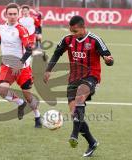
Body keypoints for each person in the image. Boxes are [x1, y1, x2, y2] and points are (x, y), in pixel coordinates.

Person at [43, 16, 114, 157]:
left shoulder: (95, 40)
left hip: (91, 77)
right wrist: (48, 70)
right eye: (71, 31)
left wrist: (108, 60)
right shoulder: (67, 39)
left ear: (82, 27)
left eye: (75, 31)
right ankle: (92, 142)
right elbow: (57, 53)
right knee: (74, 112)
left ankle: (74, 134)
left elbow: (109, 59)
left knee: (81, 95)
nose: (73, 34)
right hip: (73, 78)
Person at [0, 3, 42, 128]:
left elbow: (29, 50)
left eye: (15, 14)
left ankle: (37, 115)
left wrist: (20, 63)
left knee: (29, 96)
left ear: (18, 15)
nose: (12, 16)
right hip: (7, 66)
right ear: (6, 15)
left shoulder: (21, 29)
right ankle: (20, 102)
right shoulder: (1, 27)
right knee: (2, 90)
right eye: (10, 14)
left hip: (23, 68)